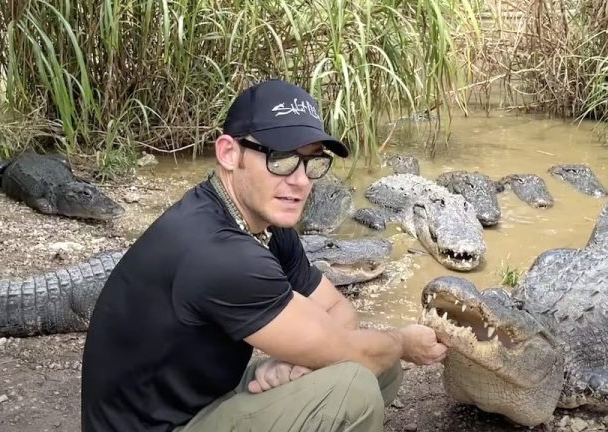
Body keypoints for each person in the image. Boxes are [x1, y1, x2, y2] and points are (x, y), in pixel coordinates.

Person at [80, 79, 448, 432]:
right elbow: (353, 349)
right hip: (166, 426)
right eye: (281, 158)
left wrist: (296, 362)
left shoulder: (266, 224)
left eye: (312, 161)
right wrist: (402, 343)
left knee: (376, 366)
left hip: (203, 401)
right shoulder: (218, 252)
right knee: (355, 385)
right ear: (229, 153)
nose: (301, 180)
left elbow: (340, 312)